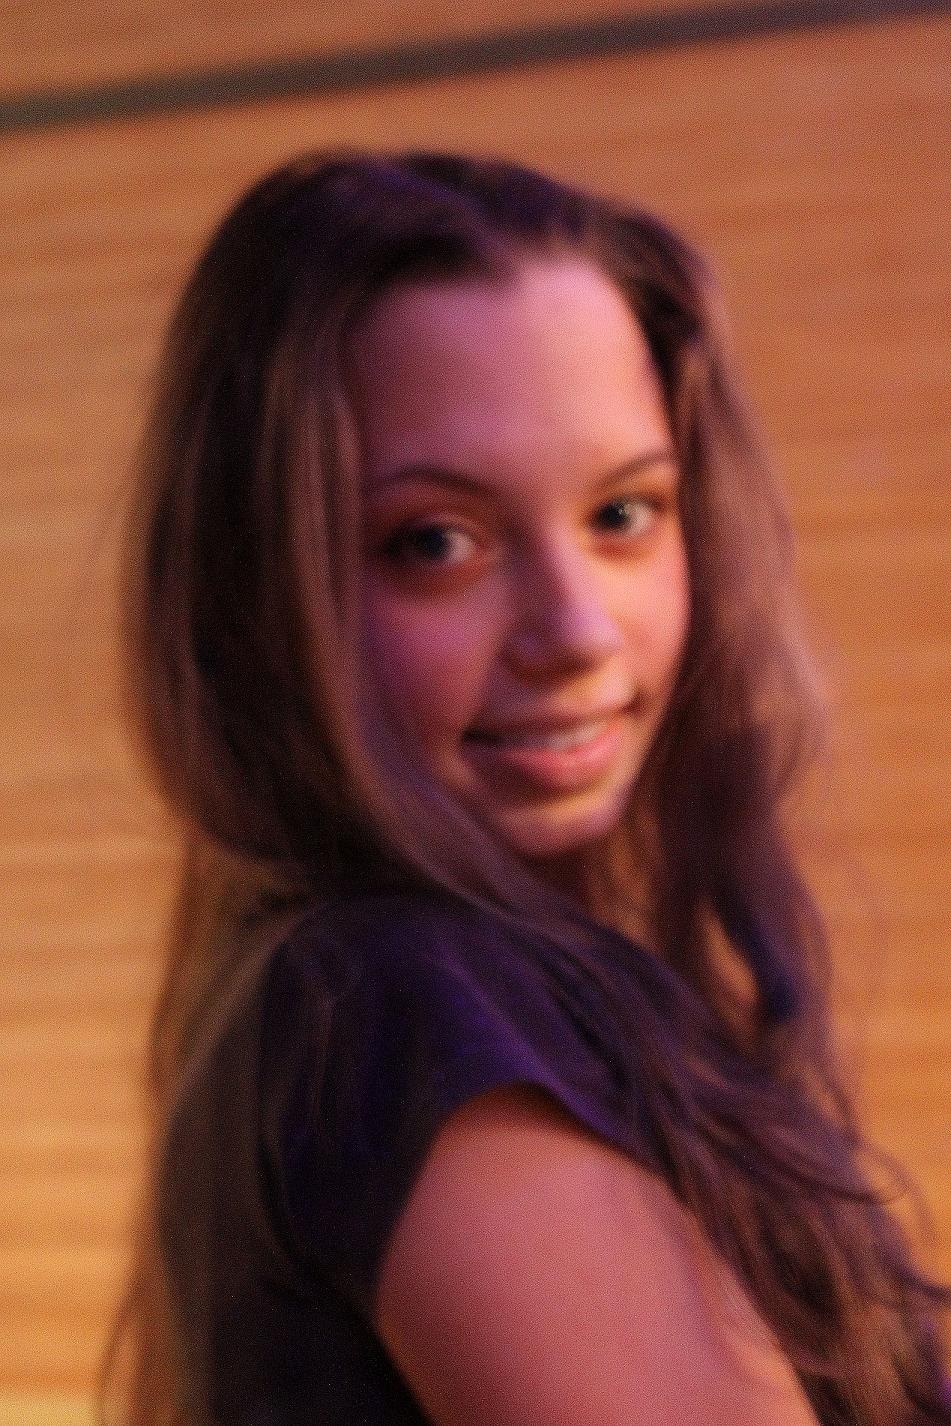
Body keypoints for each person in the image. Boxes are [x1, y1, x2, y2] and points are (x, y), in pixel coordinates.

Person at [100, 150, 950, 1426]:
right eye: (437, 541)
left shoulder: (336, 996)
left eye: (624, 514)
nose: (576, 630)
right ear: (254, 589)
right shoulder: (398, 1002)